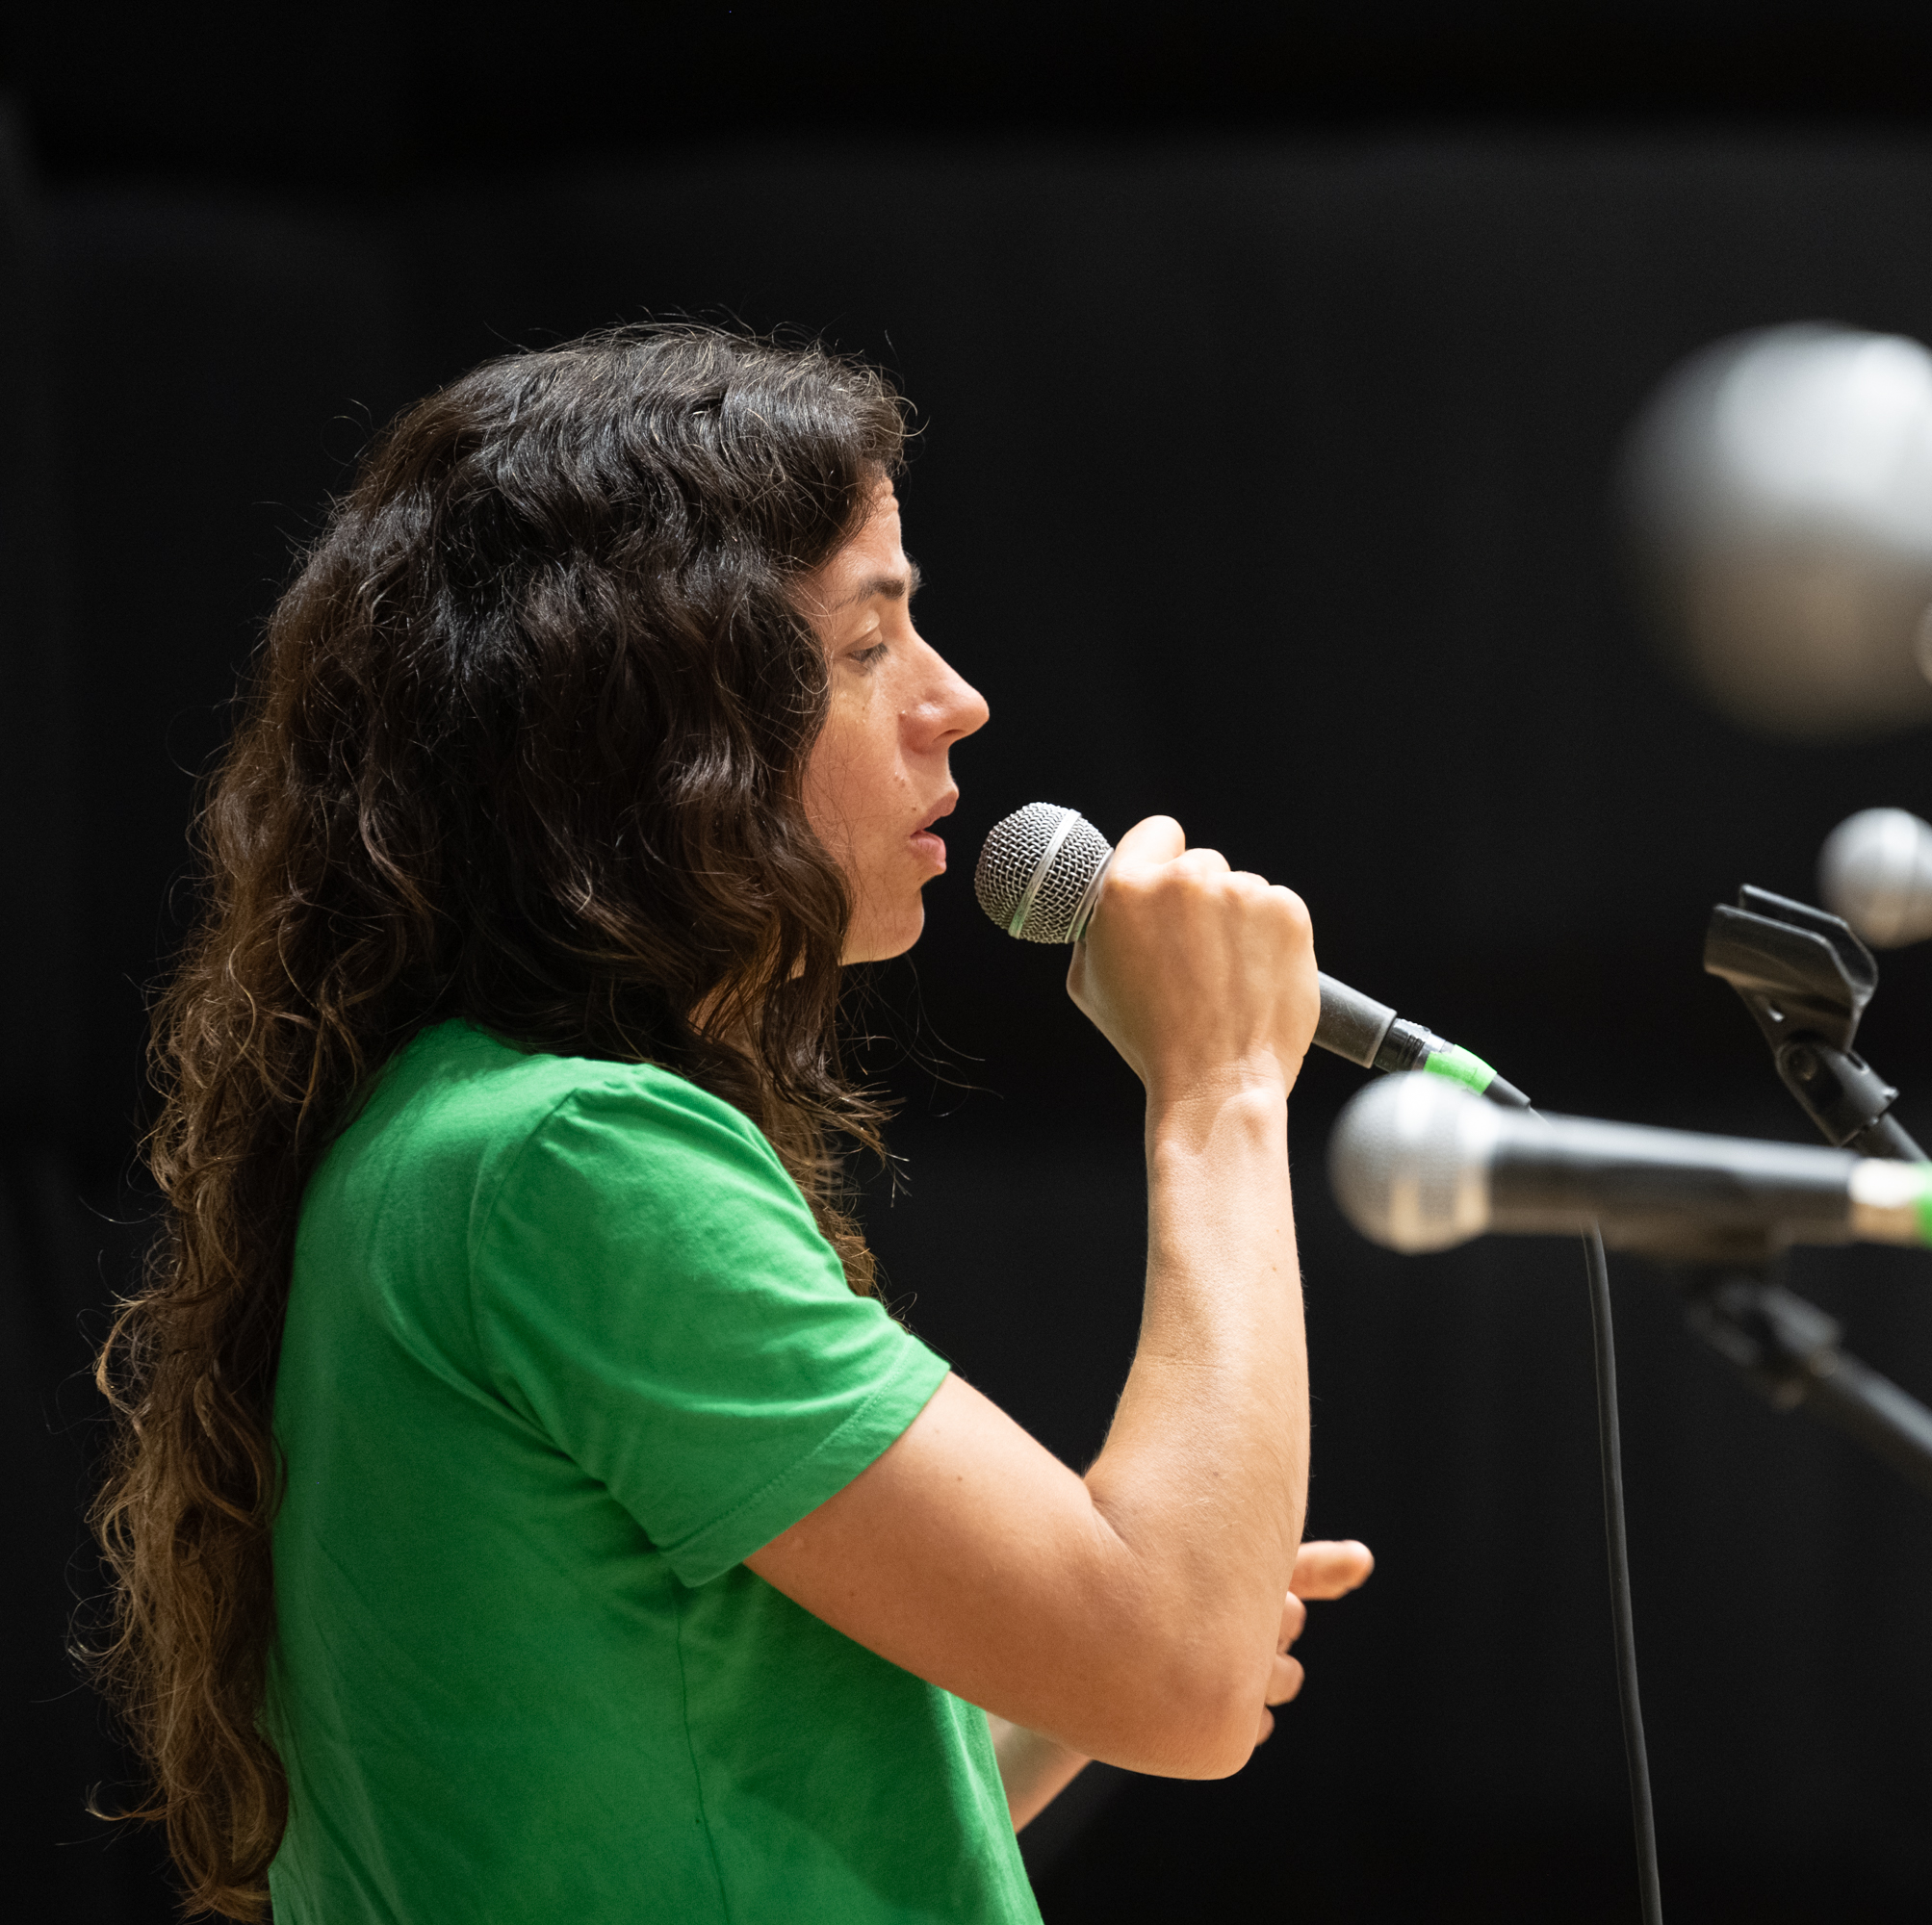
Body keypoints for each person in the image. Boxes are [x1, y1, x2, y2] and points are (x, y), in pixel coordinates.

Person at [88, 324, 1370, 1923]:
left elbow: (689, 1794)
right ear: (648, 724)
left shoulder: (445, 1137)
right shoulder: (566, 1161)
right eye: (864, 645)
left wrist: (1063, 1679)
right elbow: (1178, 1676)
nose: (955, 702)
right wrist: (1224, 1090)